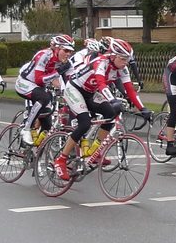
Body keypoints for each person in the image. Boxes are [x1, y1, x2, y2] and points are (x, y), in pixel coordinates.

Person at [51, 38, 150, 180]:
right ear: (113, 56)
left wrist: (143, 109)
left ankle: (96, 152)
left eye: (128, 59)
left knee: (111, 114)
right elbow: (101, 84)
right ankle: (61, 160)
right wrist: (112, 100)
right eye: (123, 59)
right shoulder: (101, 63)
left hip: (90, 92)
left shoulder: (122, 69)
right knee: (84, 123)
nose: (126, 62)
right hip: (74, 89)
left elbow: (130, 90)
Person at [16, 34, 74, 146]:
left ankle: (36, 148)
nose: (68, 54)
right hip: (25, 83)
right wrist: (58, 72)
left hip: (40, 87)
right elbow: (38, 79)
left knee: (47, 124)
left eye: (71, 51)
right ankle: (26, 129)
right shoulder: (44, 55)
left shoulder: (67, 63)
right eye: (66, 50)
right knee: (44, 98)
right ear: (56, 48)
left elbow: (70, 83)